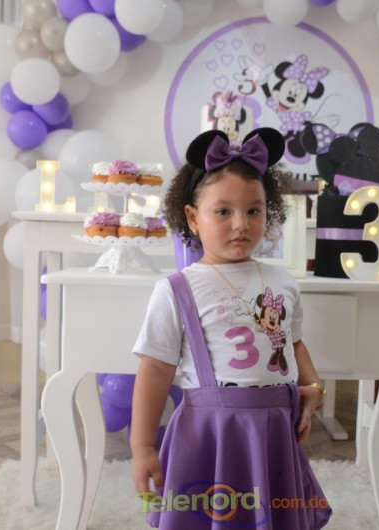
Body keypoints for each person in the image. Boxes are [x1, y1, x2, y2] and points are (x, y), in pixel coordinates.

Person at [130, 127, 332, 529]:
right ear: (193, 217)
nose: (241, 223)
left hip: (274, 430)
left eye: (253, 211)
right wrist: (142, 447)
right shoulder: (178, 289)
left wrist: (312, 386)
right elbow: (154, 368)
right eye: (223, 212)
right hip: (212, 431)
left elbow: (293, 342)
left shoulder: (282, 282)